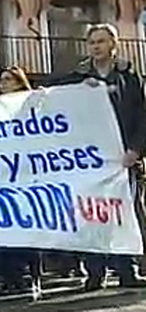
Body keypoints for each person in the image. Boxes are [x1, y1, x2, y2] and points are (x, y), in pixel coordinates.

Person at [58, 23, 146, 290]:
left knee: (126, 213)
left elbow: (142, 116)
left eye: (101, 41)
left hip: (124, 157)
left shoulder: (129, 76)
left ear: (113, 45)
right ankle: (95, 273)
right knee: (92, 214)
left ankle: (128, 270)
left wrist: (136, 149)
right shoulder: (78, 77)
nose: (96, 47)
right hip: (92, 159)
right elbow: (58, 104)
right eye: (92, 42)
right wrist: (80, 92)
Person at [0, 66, 42, 298]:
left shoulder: (30, 104)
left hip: (26, 175)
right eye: (1, 80)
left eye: (8, 79)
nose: (3, 84)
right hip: (3, 176)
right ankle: (11, 277)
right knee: (7, 230)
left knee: (28, 230)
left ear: (19, 82)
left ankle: (31, 276)